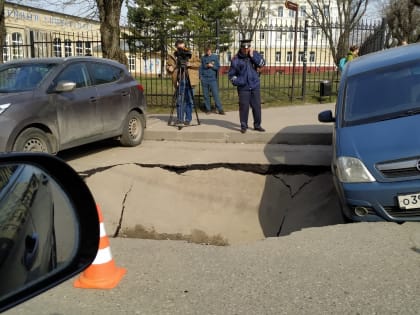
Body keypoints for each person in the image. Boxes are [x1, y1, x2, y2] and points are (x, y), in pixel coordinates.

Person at [228, 39, 265, 133]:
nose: (246, 50)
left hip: (254, 85)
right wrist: (241, 82)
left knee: (257, 107)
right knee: (244, 108)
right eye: (244, 48)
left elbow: (262, 63)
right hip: (243, 88)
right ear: (241, 48)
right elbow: (231, 75)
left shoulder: (254, 54)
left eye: (248, 48)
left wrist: (253, 56)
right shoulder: (236, 59)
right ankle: (243, 126)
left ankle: (257, 125)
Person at [166, 39, 200, 125]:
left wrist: (190, 64)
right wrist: (170, 68)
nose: (181, 48)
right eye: (179, 47)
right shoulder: (173, 55)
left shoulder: (190, 53)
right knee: (180, 100)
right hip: (180, 79)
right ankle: (180, 119)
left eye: (182, 46)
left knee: (189, 100)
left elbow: (199, 63)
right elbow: (169, 65)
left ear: (184, 45)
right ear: (176, 47)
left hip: (190, 79)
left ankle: (188, 119)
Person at [199, 46, 225, 115]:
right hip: (204, 79)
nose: (207, 52)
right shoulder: (203, 58)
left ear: (211, 50)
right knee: (206, 95)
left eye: (208, 50)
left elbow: (218, 67)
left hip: (212, 79)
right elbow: (201, 68)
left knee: (215, 94)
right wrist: (200, 76)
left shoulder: (215, 57)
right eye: (206, 51)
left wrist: (212, 66)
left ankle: (220, 109)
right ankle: (208, 109)